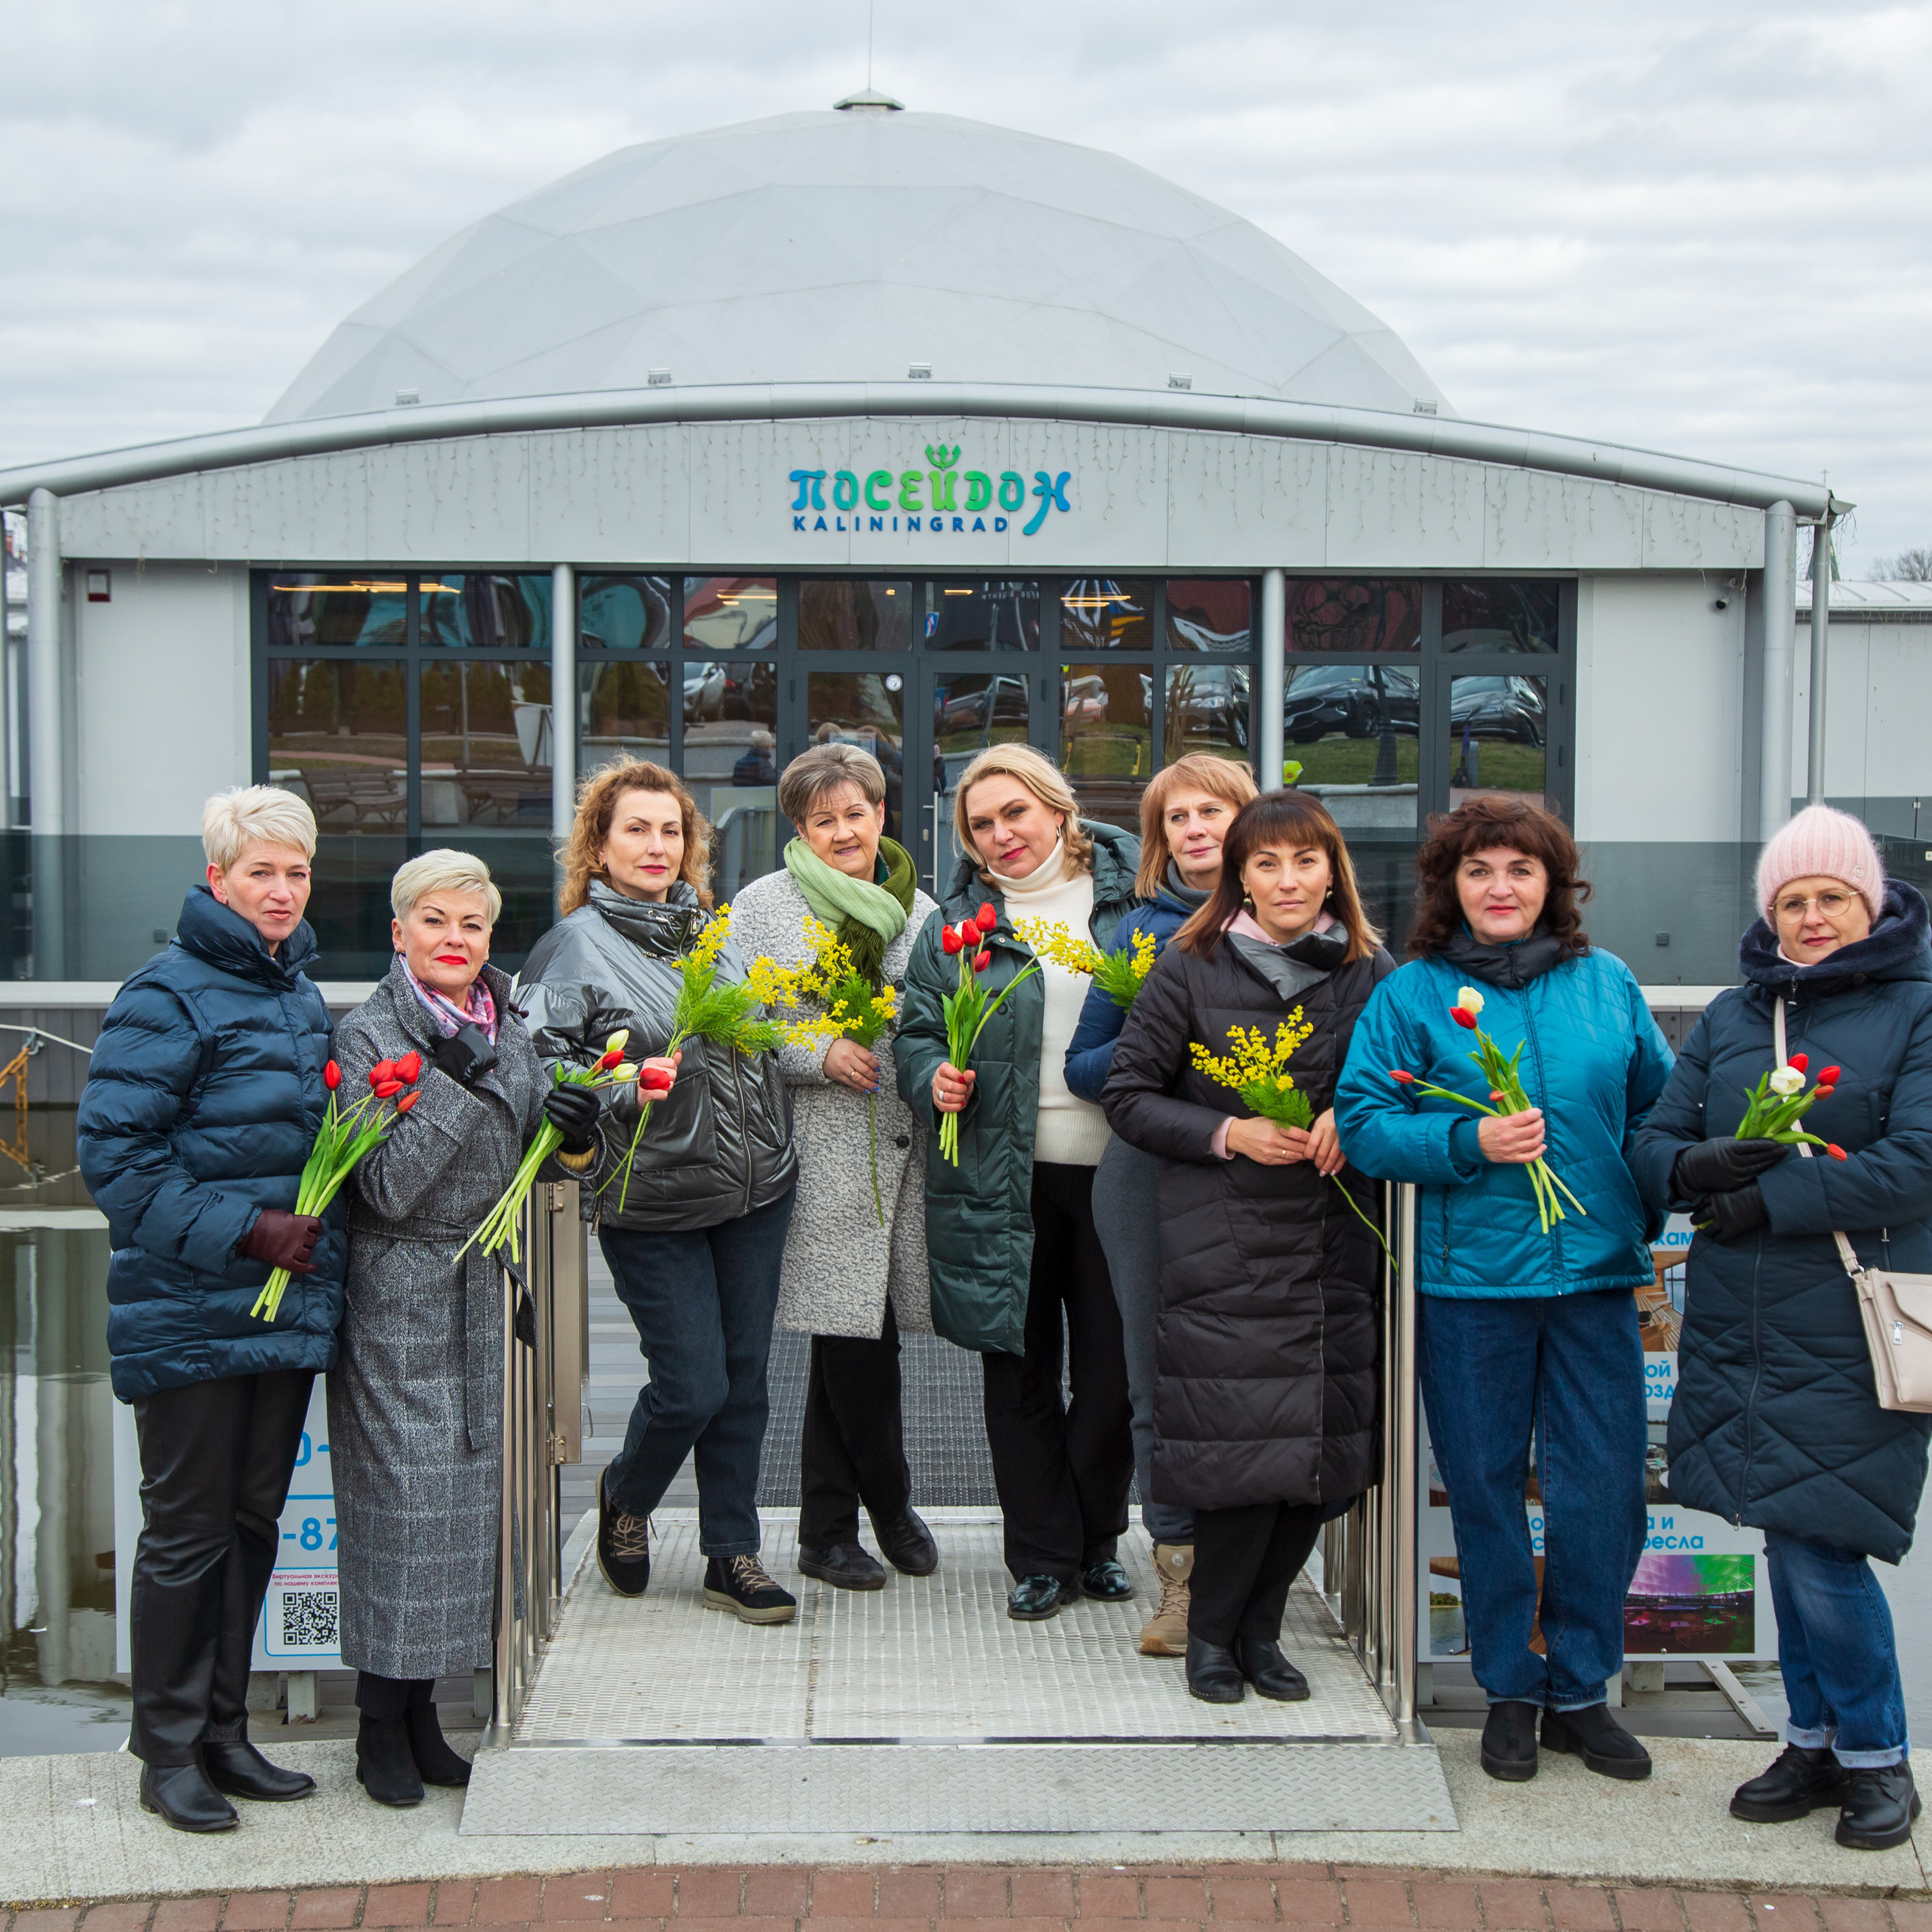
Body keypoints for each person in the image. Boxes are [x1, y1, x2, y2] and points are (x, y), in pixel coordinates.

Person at [1335, 797, 1672, 1784]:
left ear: (1551, 885)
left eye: (1520, 871)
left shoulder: (1606, 985)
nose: (1500, 889)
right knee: (1483, 1489)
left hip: (1594, 1281)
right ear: (1452, 888)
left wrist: (1639, 1214)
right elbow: (1363, 1122)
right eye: (1480, 872)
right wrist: (1464, 1141)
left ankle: (1581, 1685)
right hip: (1470, 1285)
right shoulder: (1412, 995)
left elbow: (1656, 1120)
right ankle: (1508, 1689)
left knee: (1602, 1491)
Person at [1632, 804, 1932, 1851]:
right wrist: (1689, 1171)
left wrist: (1774, 1198)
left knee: (1824, 1543)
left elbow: (1919, 1163)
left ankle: (1877, 1757)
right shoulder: (1732, 1013)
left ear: (1874, 902)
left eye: (1832, 898)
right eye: (1793, 900)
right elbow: (1659, 1134)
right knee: (1784, 1531)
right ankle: (1814, 1741)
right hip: (1742, 1316)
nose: (1811, 917)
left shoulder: (1920, 1009)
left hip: (1850, 1313)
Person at [77, 786, 344, 1834]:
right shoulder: (167, 994)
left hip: (277, 1314)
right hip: (188, 1309)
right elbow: (117, 1163)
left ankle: (229, 1733)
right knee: (186, 1535)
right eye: (261, 873)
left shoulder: (296, 994)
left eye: (297, 872)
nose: (281, 891)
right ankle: (166, 1748)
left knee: (251, 1524)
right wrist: (248, 1231)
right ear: (217, 879)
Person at [328, 851, 612, 1807]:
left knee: (469, 1516)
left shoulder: (515, 1021)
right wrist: (448, 1080)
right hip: (402, 1291)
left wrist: (575, 1130)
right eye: (437, 922)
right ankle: (379, 1723)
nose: (457, 941)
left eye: (474, 925)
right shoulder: (370, 1033)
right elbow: (388, 1187)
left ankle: (426, 1719)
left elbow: (564, 1169)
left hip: (489, 1288)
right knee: (404, 1511)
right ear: (402, 930)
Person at [1103, 790, 1393, 1701]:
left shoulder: (1373, 970)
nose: (1287, 879)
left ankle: (1263, 1636)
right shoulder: (1190, 964)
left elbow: (1410, 1080)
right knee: (1240, 1455)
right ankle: (1212, 1640)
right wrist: (1230, 1132)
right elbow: (1128, 1093)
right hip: (1224, 1238)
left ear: (1331, 870)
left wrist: (1358, 1112)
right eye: (1265, 864)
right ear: (1240, 878)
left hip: (1334, 1239)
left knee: (1314, 1459)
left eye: (1304, 860)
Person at [518, 761, 801, 1624]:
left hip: (757, 1184)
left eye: (670, 830)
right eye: (634, 829)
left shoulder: (714, 932)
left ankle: (731, 1552)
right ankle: (627, 1494)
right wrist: (615, 1087)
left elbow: (760, 1035)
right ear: (597, 849)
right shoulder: (573, 945)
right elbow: (536, 1070)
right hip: (652, 1197)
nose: (655, 845)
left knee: (745, 1381)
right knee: (691, 1384)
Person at [895, 744, 1141, 1620]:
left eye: (1014, 814)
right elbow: (916, 1034)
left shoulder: (1131, 902)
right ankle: (1042, 1555)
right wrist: (931, 1077)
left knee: (1116, 1376)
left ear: (1058, 808)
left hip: (1119, 1172)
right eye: (980, 824)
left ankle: (1097, 1535)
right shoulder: (955, 923)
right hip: (1004, 1172)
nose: (1000, 835)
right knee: (1020, 1368)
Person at [731, 745, 942, 1591]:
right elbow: (733, 1026)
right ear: (800, 829)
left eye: (856, 813)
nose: (843, 831)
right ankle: (881, 1505)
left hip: (904, 1146)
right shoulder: (760, 908)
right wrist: (818, 1050)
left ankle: (830, 1528)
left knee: (858, 1335)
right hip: (818, 1148)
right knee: (852, 1337)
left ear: (881, 815)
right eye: (823, 820)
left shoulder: (921, 908)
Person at [1063, 753, 1259, 1656]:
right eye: (1175, 817)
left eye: (1211, 811)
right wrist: (1172, 1045)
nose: (1194, 829)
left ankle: (1250, 1575)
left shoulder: (1299, 924)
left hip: (1266, 1180)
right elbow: (1084, 1066)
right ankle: (1179, 1586)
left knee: (1259, 1379)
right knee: (1158, 1385)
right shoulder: (1138, 934)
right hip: (1143, 1177)